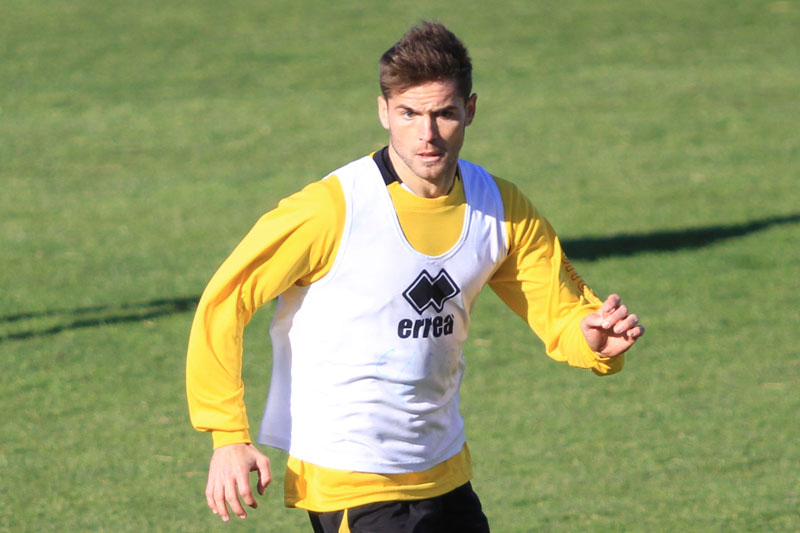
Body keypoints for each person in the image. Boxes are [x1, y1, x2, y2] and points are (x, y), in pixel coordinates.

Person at [186, 21, 644, 532]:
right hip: (351, 475)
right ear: (383, 111)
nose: (426, 134)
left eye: (444, 113)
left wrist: (592, 341)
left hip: (444, 469)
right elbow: (224, 301)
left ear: (469, 110)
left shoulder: (500, 207)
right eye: (409, 114)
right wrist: (227, 435)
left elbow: (562, 312)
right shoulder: (331, 210)